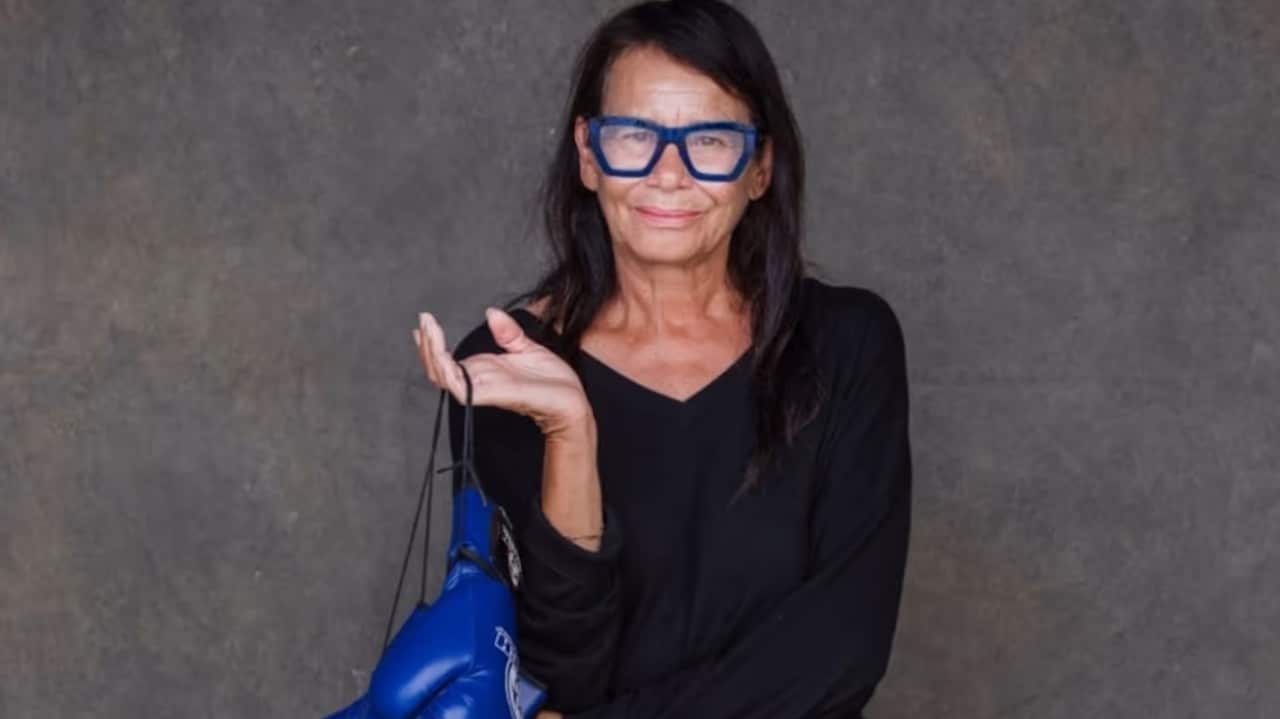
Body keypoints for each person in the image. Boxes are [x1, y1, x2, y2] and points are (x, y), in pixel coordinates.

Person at [411, 1, 912, 716]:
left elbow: (842, 650)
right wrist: (570, 436)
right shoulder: (509, 365)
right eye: (633, 135)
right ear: (588, 155)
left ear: (760, 165)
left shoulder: (849, 345)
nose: (667, 173)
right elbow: (557, 675)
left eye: (709, 140)